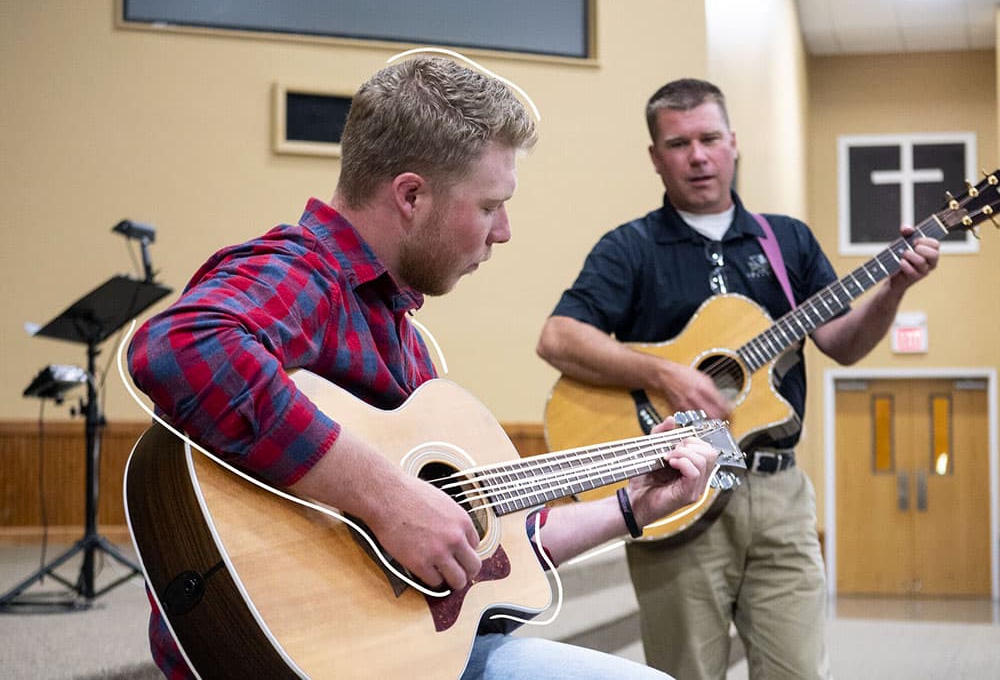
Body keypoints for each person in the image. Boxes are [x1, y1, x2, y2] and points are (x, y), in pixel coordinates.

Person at [127, 57, 719, 680]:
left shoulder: (403, 338)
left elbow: (488, 553)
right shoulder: (307, 273)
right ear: (411, 195)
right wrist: (386, 497)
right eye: (491, 205)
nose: (505, 232)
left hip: (405, 648)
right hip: (289, 651)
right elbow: (180, 347)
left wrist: (631, 506)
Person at [536, 78, 940, 680]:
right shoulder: (631, 247)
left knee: (798, 670)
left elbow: (842, 344)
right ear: (655, 157)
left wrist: (895, 289)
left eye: (709, 138)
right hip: (675, 486)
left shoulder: (787, 242)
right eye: (678, 143)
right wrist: (666, 374)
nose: (697, 156)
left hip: (778, 492)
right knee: (686, 672)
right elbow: (558, 337)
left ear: (733, 143)